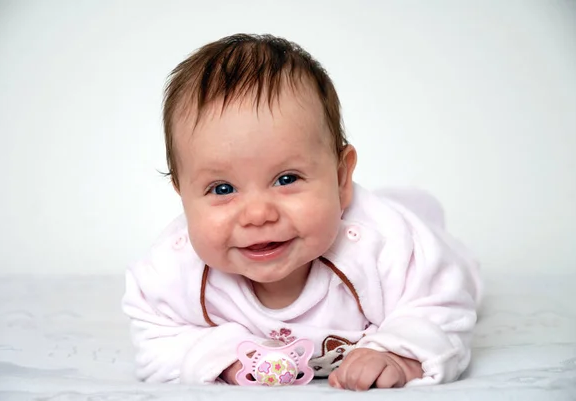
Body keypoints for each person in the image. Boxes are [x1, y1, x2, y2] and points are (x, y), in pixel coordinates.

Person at [121, 33, 482, 391]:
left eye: (286, 178)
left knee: (447, 259)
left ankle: (418, 211)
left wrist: (398, 354)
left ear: (341, 178)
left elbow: (444, 304)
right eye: (223, 189)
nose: (258, 214)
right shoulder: (172, 271)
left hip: (420, 244)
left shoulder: (385, 245)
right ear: (183, 196)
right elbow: (155, 341)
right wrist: (224, 358)